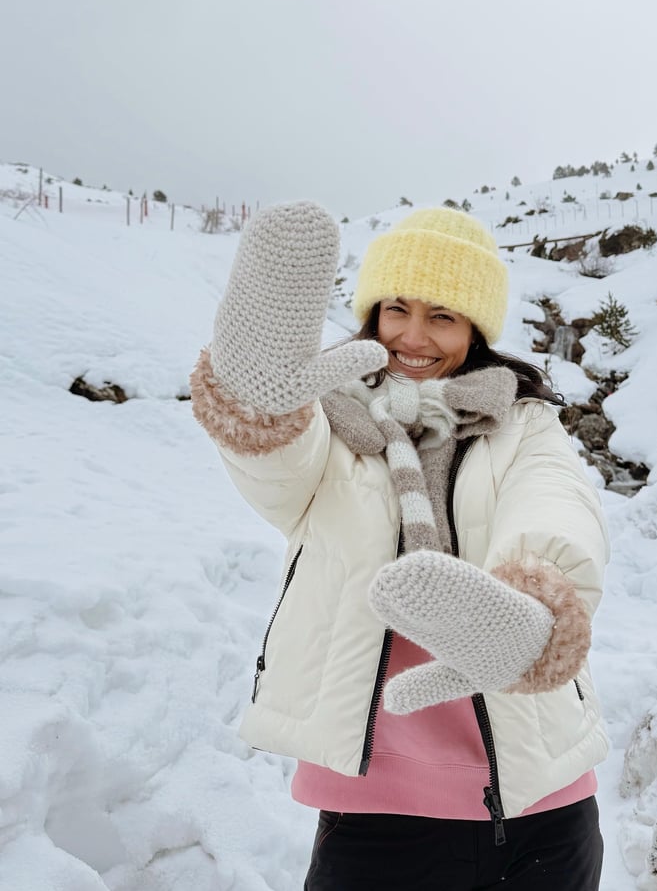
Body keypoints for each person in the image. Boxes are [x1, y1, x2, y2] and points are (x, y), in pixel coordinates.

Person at [190, 203, 610, 890]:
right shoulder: (322, 417)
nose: (413, 337)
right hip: (375, 814)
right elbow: (279, 473)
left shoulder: (522, 424)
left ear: (476, 327)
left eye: (442, 315)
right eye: (396, 308)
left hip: (541, 805)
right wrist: (256, 405)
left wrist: (534, 602)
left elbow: (556, 501)